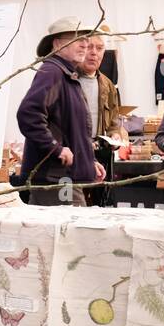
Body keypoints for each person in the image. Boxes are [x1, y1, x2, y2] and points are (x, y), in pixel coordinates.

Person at [16, 17, 105, 206]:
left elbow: (72, 130)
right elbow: (29, 114)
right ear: (57, 44)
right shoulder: (52, 72)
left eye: (86, 39)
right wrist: (55, 148)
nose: (84, 44)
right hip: (56, 178)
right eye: (76, 39)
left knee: (70, 232)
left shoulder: (66, 75)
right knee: (65, 232)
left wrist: (88, 161)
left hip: (64, 177)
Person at [78, 30, 126, 142]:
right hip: (71, 151)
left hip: (97, 151)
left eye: (99, 48)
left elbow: (113, 124)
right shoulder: (67, 79)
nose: (94, 52)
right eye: (89, 47)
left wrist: (115, 135)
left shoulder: (108, 85)